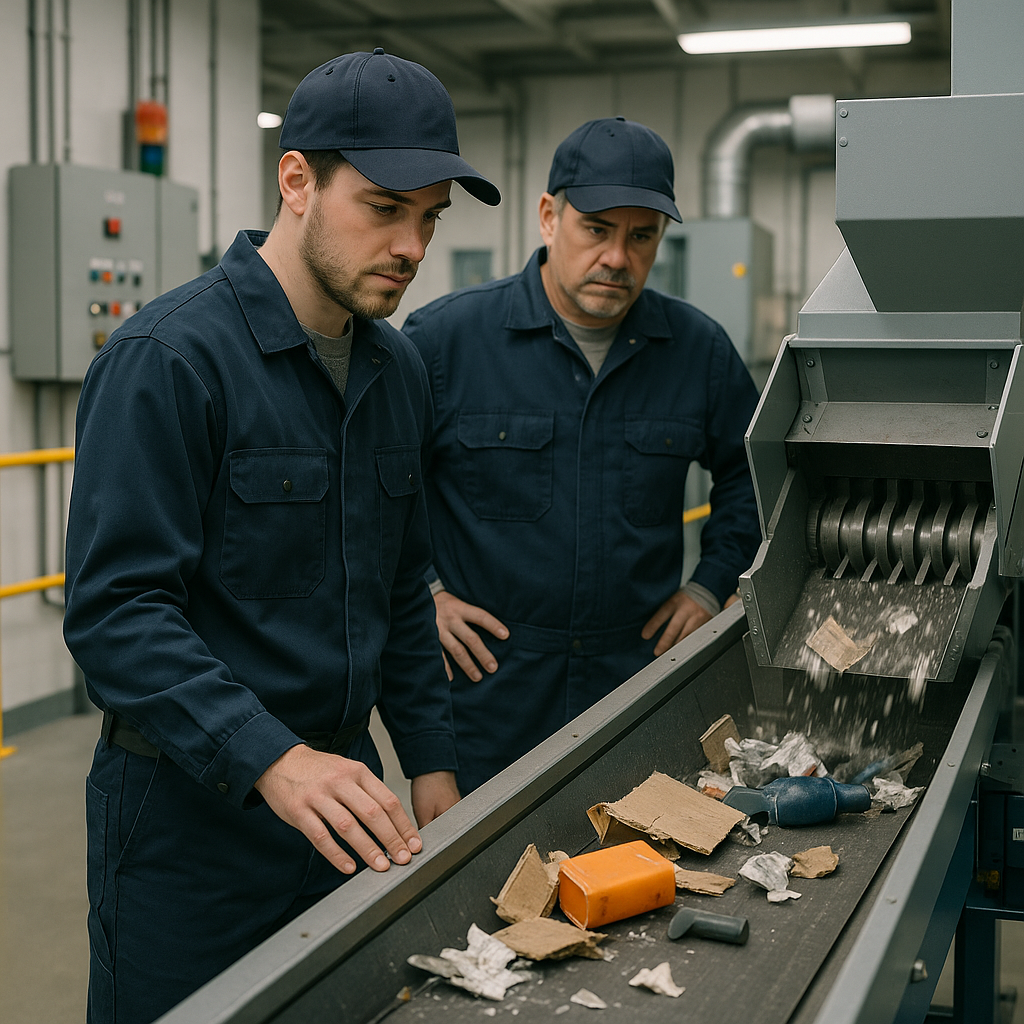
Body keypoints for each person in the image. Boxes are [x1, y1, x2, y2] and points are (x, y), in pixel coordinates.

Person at [64, 49, 499, 1024]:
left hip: (347, 808)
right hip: (191, 822)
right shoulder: (169, 360)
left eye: (429, 217)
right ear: (296, 179)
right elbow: (117, 615)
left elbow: (399, 583)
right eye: (384, 208)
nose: (411, 245)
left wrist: (430, 763)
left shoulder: (397, 370)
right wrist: (273, 757)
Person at [402, 117, 761, 795]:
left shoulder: (698, 352)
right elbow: (376, 483)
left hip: (637, 683)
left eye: (641, 236)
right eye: (596, 228)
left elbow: (753, 478)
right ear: (548, 217)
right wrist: (425, 591)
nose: (618, 258)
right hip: (487, 690)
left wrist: (711, 583)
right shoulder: (445, 342)